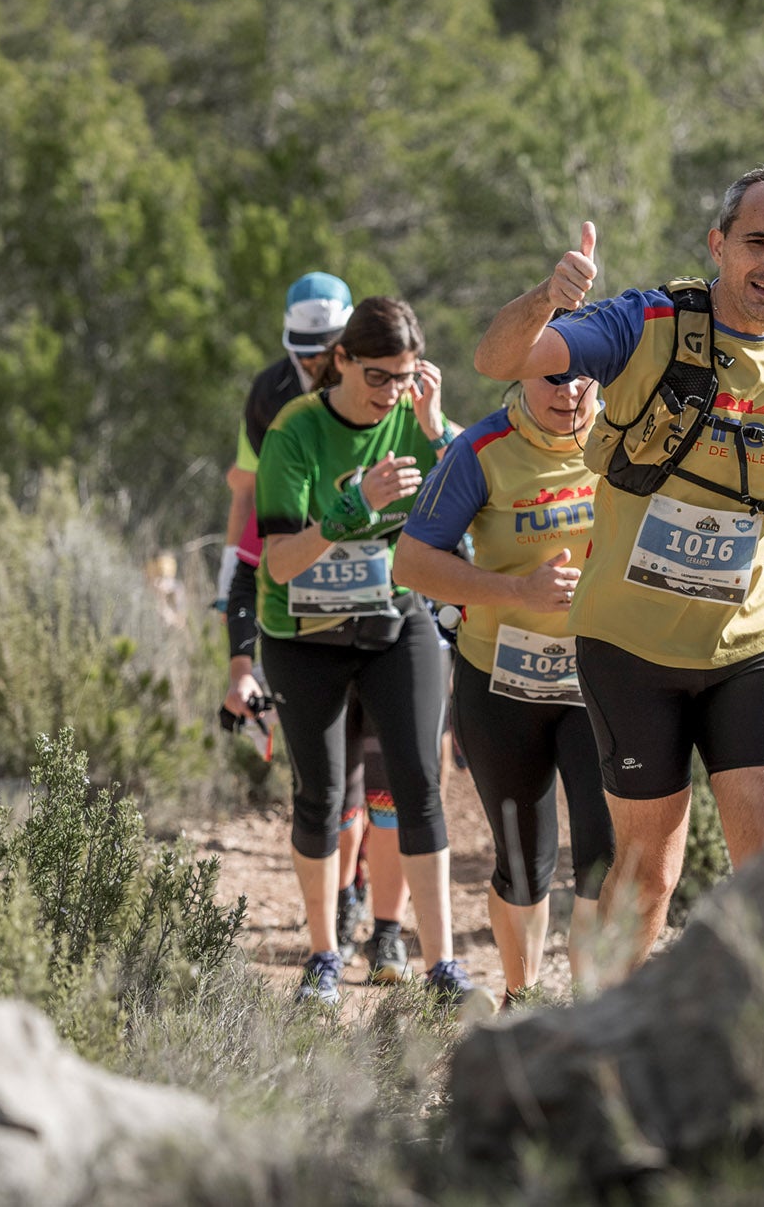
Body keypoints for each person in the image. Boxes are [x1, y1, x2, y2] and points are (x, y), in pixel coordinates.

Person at [473, 165, 764, 975]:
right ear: (718, 244)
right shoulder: (643, 322)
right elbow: (499, 358)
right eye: (759, 240)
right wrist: (548, 296)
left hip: (746, 646)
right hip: (631, 650)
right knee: (650, 874)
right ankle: (596, 1041)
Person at [255, 295, 488, 1009]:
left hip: (394, 621)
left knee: (419, 783)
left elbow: (481, 496)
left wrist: (436, 426)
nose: (391, 391)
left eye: (408, 377)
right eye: (379, 377)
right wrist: (346, 515)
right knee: (323, 794)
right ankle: (325, 954)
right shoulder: (295, 430)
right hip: (305, 633)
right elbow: (280, 562)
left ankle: (441, 962)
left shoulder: (412, 420)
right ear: (343, 361)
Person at [395, 373, 616, 1003]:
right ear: (521, 373)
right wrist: (518, 591)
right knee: (525, 863)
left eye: (583, 378)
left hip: (596, 678)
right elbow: (410, 564)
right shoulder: (481, 449)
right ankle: (523, 1001)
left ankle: (591, 1011)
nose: (569, 393)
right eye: (551, 378)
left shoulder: (622, 435)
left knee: (605, 853)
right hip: (500, 681)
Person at [218, 271, 411, 978]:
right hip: (298, 600)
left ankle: (373, 907)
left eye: (324, 353)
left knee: (387, 779)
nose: (312, 368)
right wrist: (242, 654)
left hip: (382, 626)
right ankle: (340, 912)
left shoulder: (396, 406)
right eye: (302, 356)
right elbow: (248, 513)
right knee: (334, 790)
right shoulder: (275, 405)